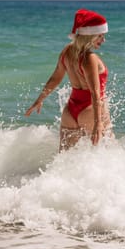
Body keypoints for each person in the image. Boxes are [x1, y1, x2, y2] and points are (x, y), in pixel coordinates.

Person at [25, 9, 112, 151]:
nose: (103, 40)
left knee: (64, 159)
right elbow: (95, 94)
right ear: (90, 35)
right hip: (90, 110)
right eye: (100, 36)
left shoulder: (67, 52)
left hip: (70, 112)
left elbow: (55, 78)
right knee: (108, 153)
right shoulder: (90, 58)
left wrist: (39, 100)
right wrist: (98, 124)